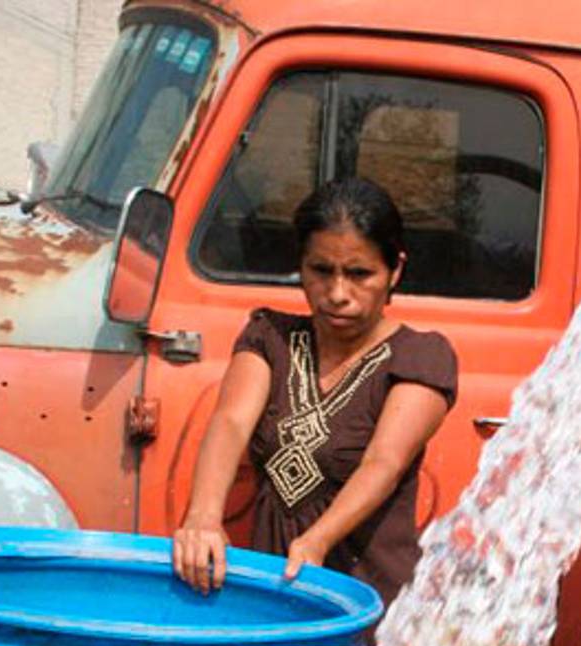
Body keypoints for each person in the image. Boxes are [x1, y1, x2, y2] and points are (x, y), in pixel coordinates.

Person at [172, 177, 458, 609]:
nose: (338, 293)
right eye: (321, 271)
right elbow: (230, 423)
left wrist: (315, 542)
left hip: (370, 603)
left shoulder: (420, 357)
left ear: (394, 270)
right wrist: (202, 518)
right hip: (277, 594)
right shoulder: (271, 338)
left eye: (359, 274)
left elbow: (384, 463)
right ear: (300, 266)